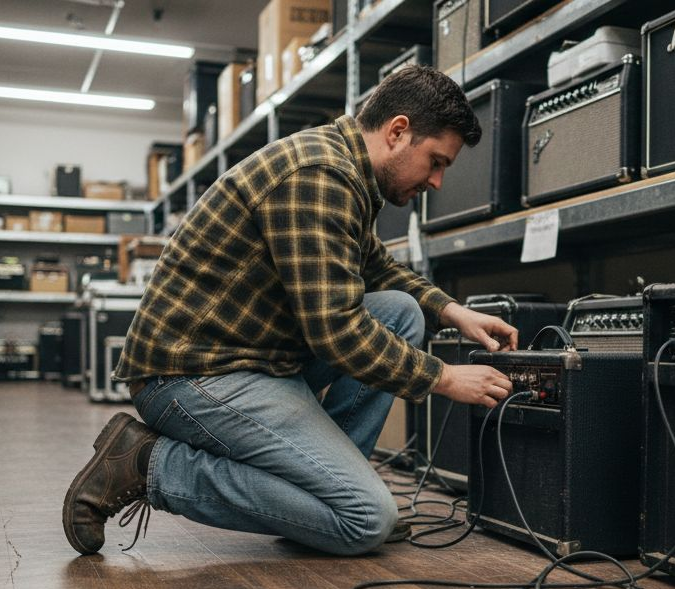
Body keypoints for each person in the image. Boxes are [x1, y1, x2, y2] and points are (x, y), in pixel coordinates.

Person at [62, 66, 518, 557]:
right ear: (398, 131)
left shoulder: (346, 170)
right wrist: (445, 377)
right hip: (190, 376)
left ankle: (317, 499)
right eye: (435, 161)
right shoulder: (319, 175)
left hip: (253, 359)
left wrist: (452, 312)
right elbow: (337, 331)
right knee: (367, 520)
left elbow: (378, 270)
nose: (436, 180)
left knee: (401, 312)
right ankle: (146, 465)